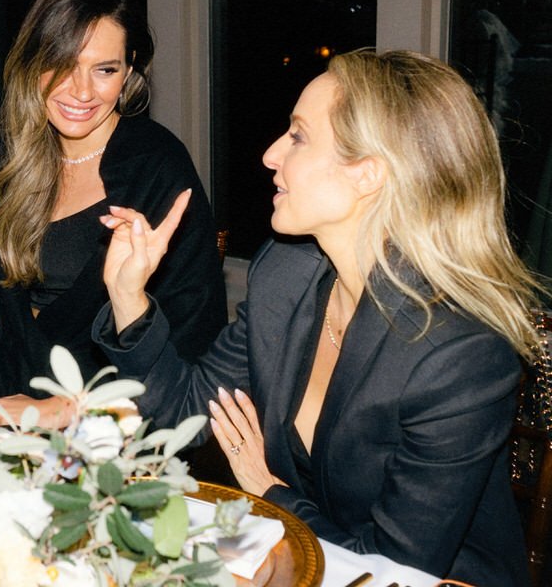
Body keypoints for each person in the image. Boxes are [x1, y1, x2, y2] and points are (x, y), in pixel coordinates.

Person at [95, 49, 538, 585]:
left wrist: (268, 491)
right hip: (305, 561)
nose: (270, 154)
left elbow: (393, 566)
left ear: (367, 175)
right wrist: (128, 296)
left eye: (299, 136)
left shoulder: (458, 354)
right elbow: (181, 418)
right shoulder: (288, 273)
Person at [0, 0, 227, 425]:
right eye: (62, 64)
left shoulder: (156, 167)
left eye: (104, 69)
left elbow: (188, 346)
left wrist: (59, 411)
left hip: (106, 423)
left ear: (129, 68)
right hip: (6, 399)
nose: (82, 91)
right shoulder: (9, 154)